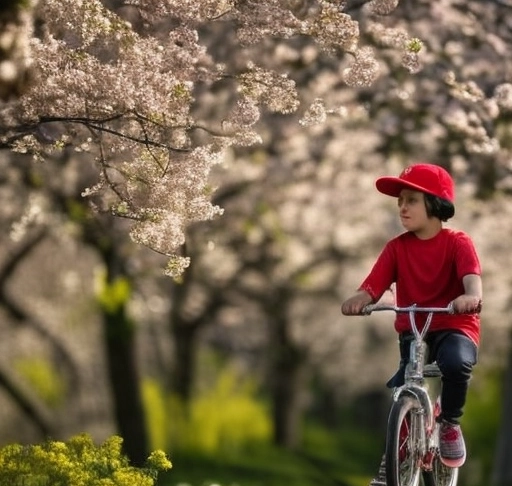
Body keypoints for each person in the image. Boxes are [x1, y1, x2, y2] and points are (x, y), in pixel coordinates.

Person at [341, 162, 482, 468]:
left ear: (435, 203)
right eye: (400, 202)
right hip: (415, 327)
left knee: (455, 364)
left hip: (454, 325)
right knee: (406, 386)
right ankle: (394, 461)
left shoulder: (458, 243)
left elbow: (472, 278)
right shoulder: (396, 249)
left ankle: (449, 424)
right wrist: (360, 299)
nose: (402, 208)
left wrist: (470, 297)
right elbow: (373, 286)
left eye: (412, 200)